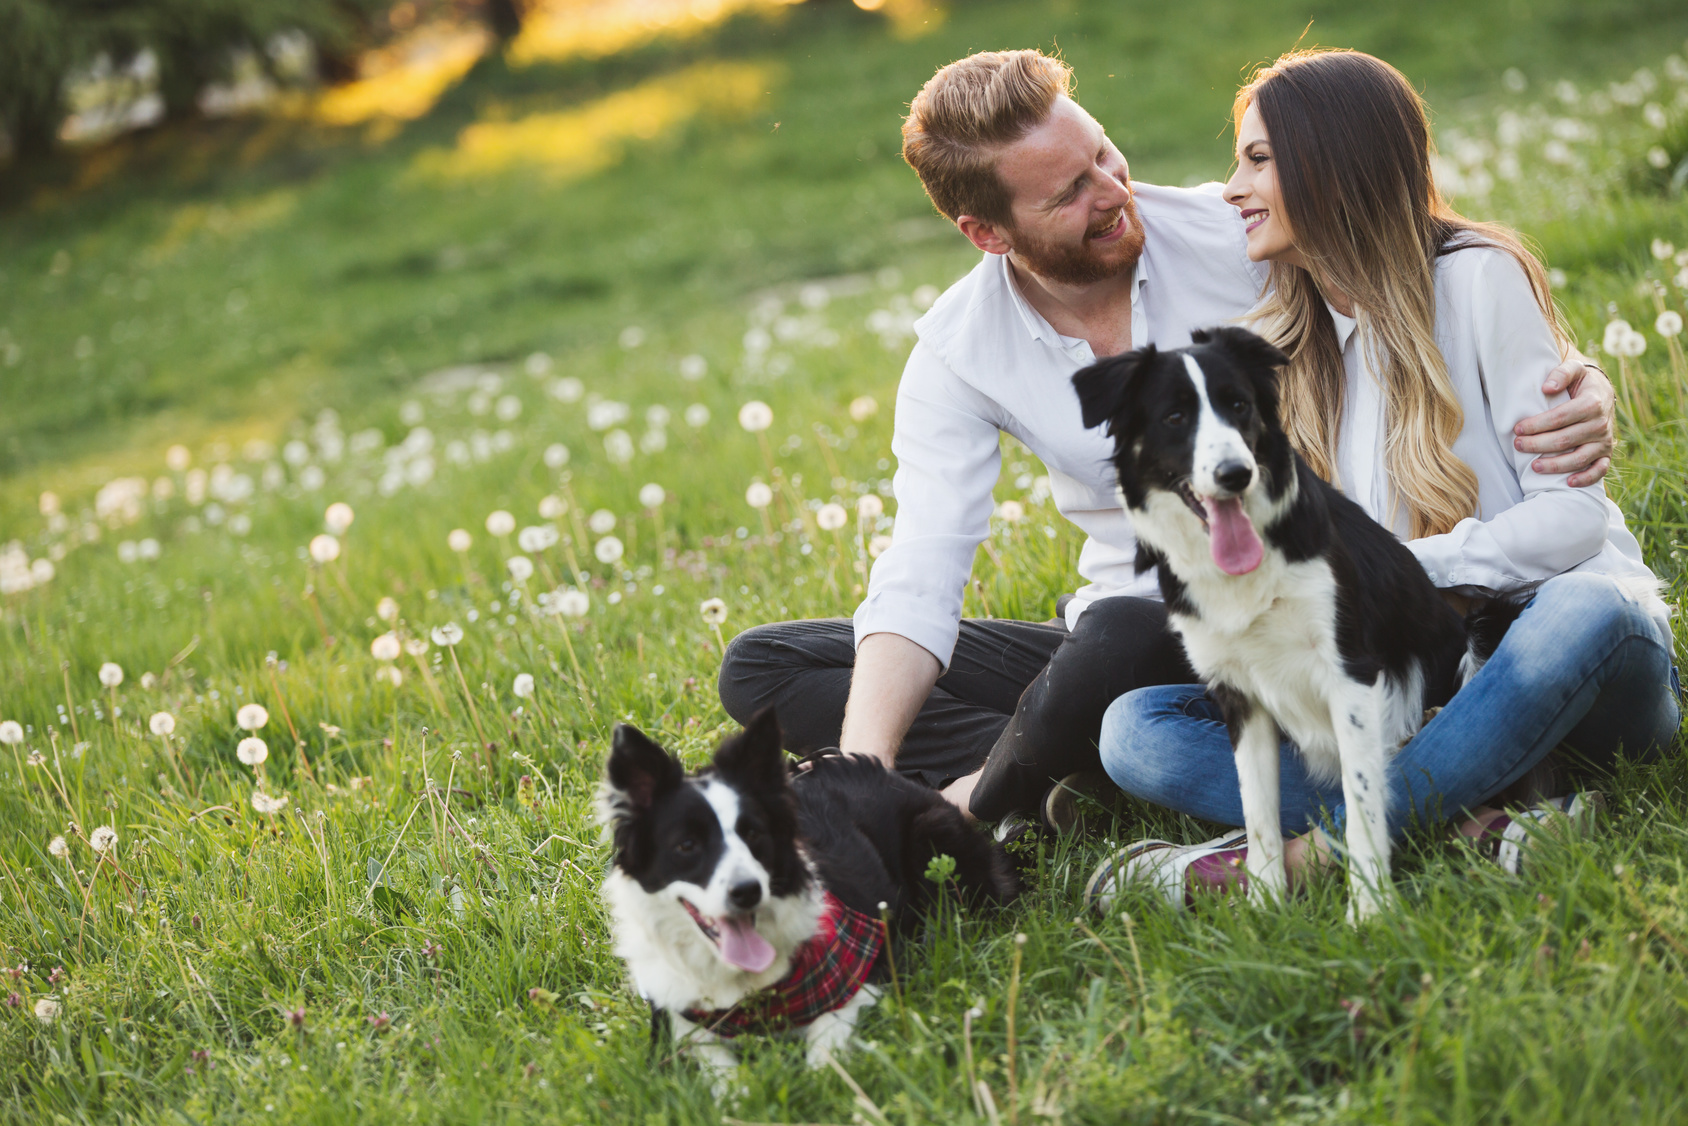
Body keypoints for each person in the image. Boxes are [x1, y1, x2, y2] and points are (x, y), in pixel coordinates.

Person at [718, 49, 1618, 832]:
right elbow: (922, 570)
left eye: (1104, 155)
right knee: (765, 666)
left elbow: (1402, 270)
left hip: (1279, 600)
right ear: (988, 233)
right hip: (1138, 628)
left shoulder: (1241, 234)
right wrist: (860, 773)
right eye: (1070, 193)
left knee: (1116, 641)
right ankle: (1046, 763)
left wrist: (1580, 379)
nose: (1113, 193)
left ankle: (980, 799)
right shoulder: (961, 352)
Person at [1086, 48, 1680, 909]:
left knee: (1585, 610)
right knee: (1133, 731)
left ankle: (1315, 857)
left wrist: (1406, 570)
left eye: (1257, 159)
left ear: (1334, 160)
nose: (1231, 187)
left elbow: (1572, 526)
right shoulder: (1275, 348)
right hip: (1409, 689)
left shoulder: (1479, 280)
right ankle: (1488, 818)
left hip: (1565, 663)